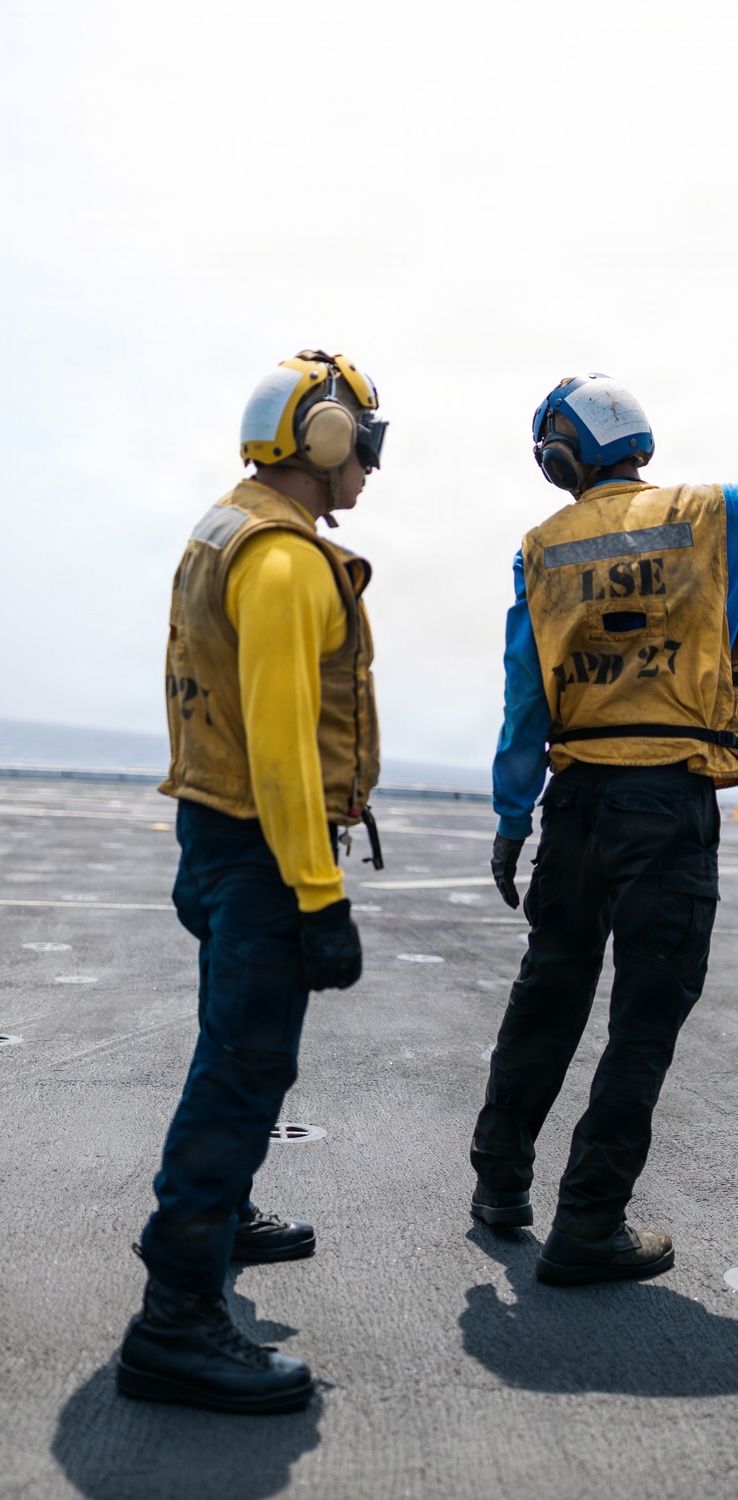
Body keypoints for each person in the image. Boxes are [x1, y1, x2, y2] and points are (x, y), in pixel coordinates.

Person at [471, 359, 738, 1286]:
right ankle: (588, 1222)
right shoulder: (712, 517)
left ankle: (501, 1186)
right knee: (644, 1017)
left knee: (548, 993)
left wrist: (514, 818)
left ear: (561, 458)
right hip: (666, 808)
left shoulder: (541, 548)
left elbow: (523, 698)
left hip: (576, 805)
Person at [117, 350, 387, 1412]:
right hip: (263, 849)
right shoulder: (280, 559)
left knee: (238, 1057)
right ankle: (176, 1319)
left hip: (211, 833)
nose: (369, 458)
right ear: (322, 438)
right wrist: (320, 896)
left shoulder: (219, 528)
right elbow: (278, 745)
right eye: (363, 436)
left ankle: (219, 1222)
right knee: (242, 1072)